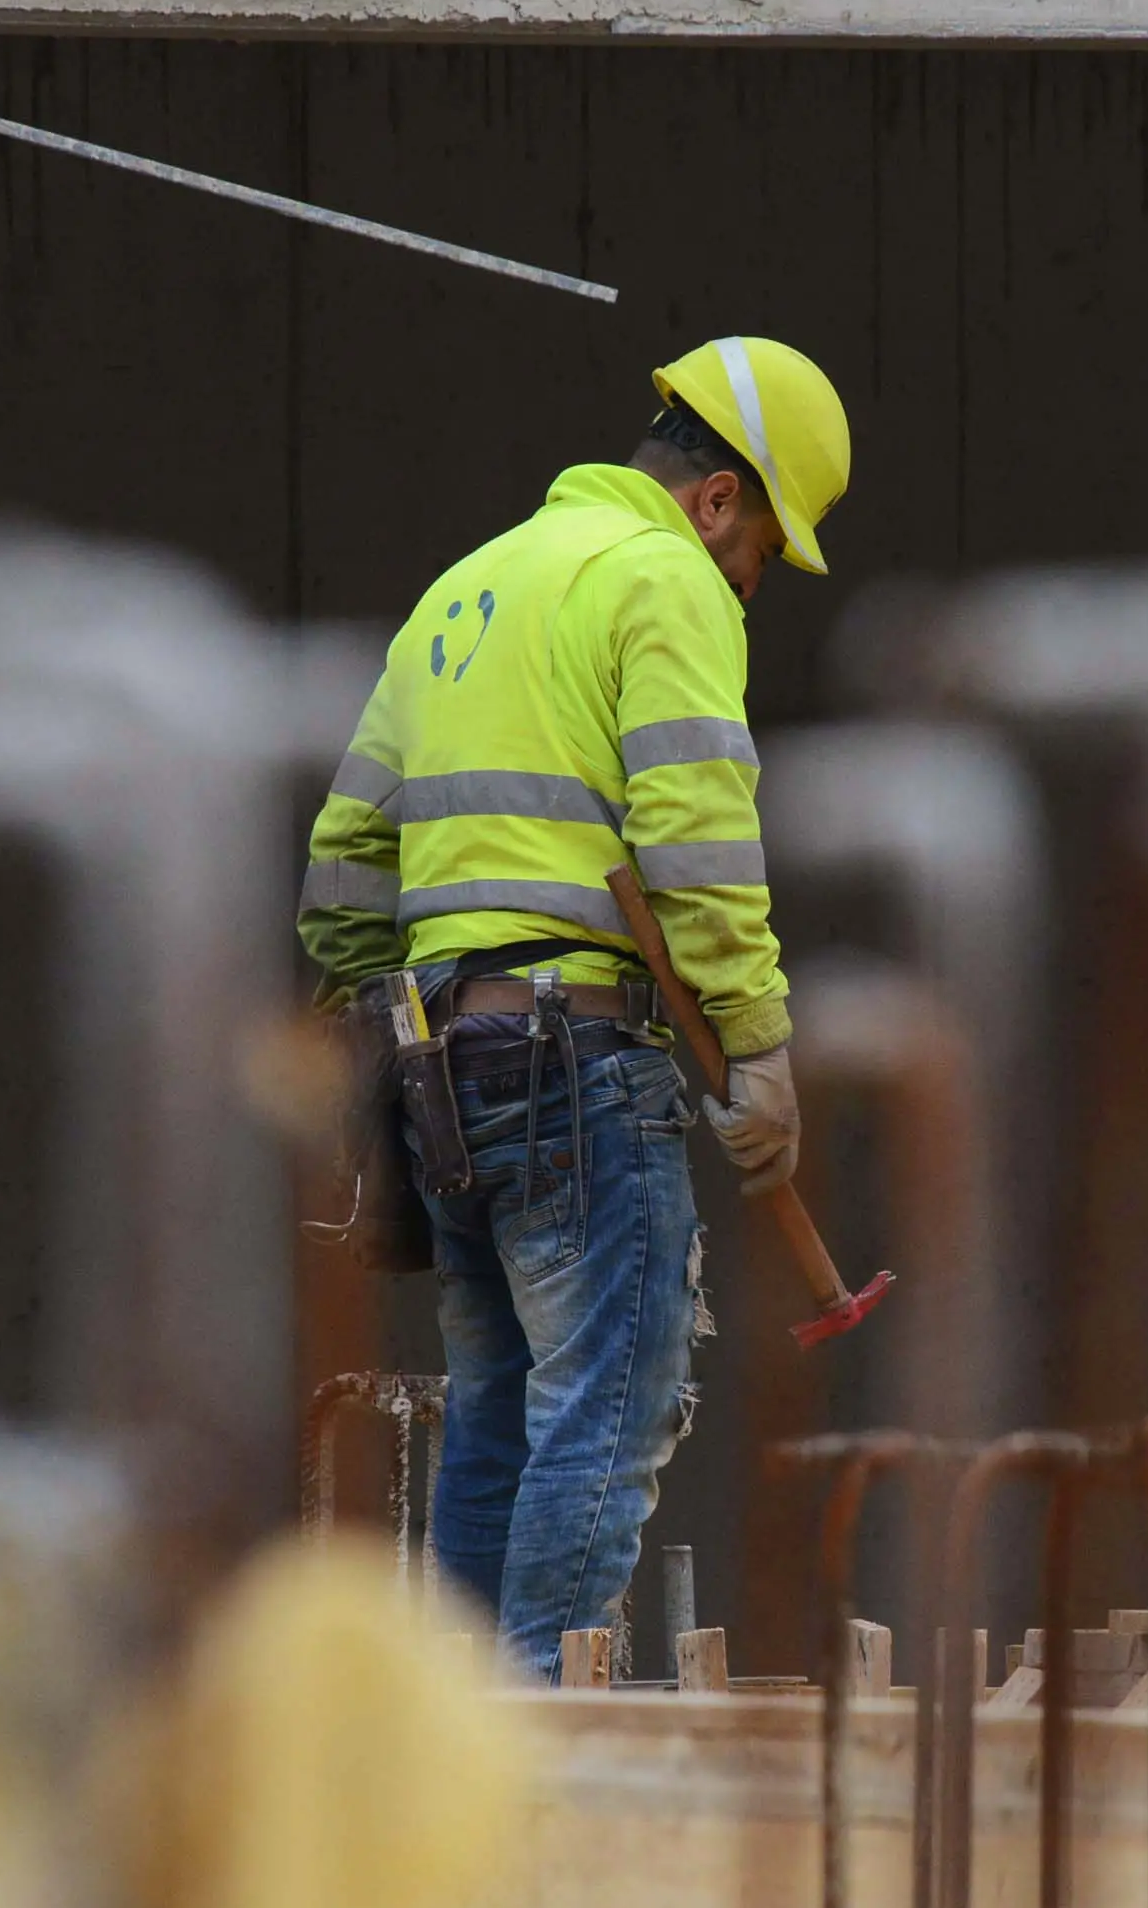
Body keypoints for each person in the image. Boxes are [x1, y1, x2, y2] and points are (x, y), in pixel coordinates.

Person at [296, 338, 851, 1677]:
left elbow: (341, 870)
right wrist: (758, 1045)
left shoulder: (464, 587)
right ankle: (555, 1745)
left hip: (445, 1078)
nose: (750, 582)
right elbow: (696, 830)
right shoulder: (662, 576)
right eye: (762, 549)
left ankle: (459, 1753)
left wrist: (398, 1017)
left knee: (496, 1411)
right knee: (608, 1404)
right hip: (576, 1060)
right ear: (718, 496)